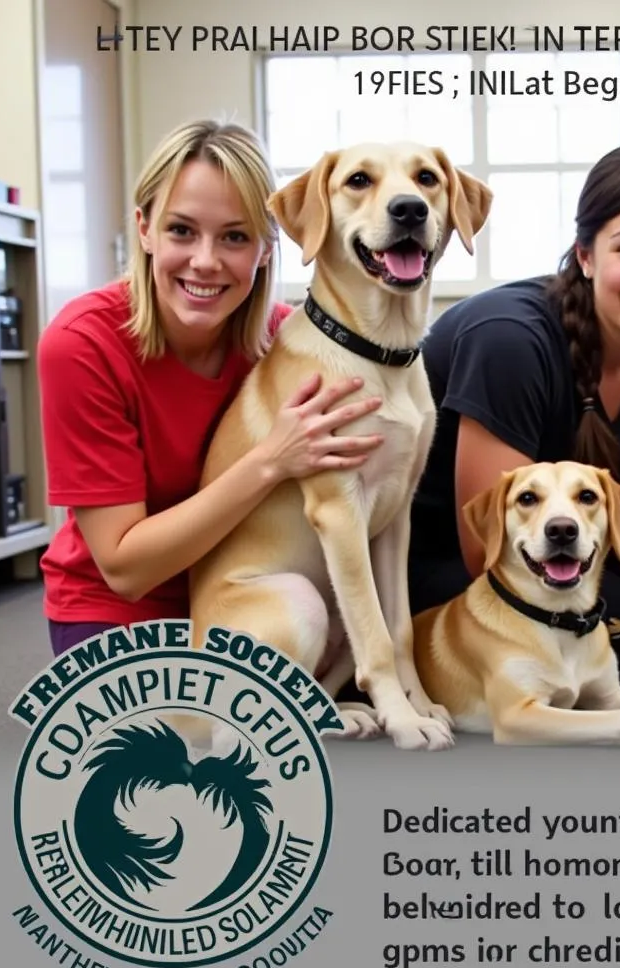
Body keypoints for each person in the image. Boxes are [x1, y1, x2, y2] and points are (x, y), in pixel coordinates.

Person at [38, 119, 384, 657]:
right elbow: (125, 568)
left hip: (260, 594)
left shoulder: (291, 343)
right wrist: (271, 458)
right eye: (181, 230)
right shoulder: (82, 345)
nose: (205, 260)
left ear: (267, 249)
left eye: (235, 237)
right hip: (128, 612)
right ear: (144, 228)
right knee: (166, 743)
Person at [407, 143, 620, 689]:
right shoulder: (509, 341)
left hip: (560, 564)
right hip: (448, 578)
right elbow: (488, 554)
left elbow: (616, 549)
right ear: (586, 255)